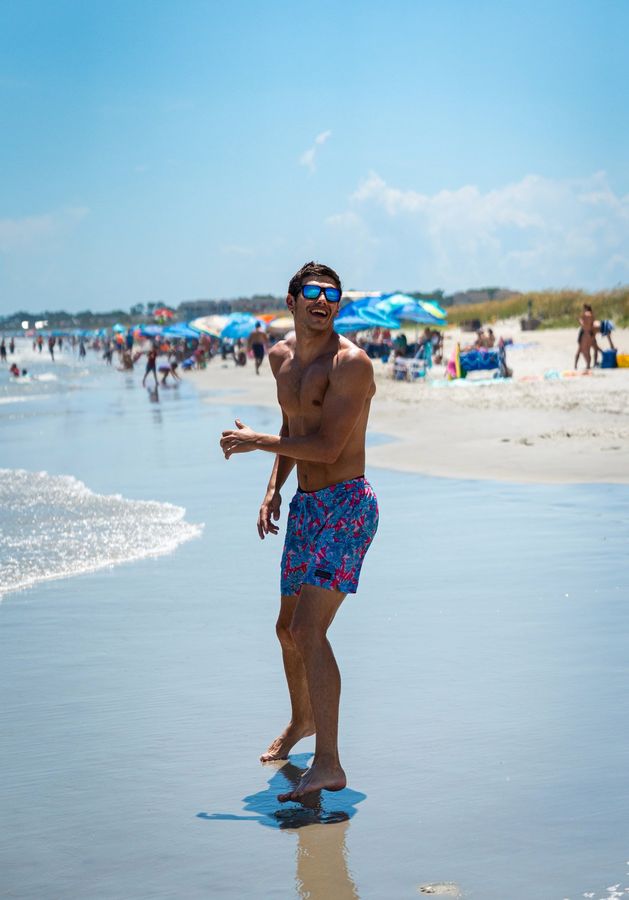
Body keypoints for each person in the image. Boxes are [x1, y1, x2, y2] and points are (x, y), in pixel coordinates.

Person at [220, 261, 379, 802]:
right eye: (312, 291)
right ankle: (302, 723)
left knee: (312, 630)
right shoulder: (280, 358)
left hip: (347, 506)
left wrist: (258, 442)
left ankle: (329, 763)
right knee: (287, 628)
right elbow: (294, 428)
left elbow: (329, 447)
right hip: (307, 506)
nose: (323, 299)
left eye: (332, 293)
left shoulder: (351, 364)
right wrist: (273, 487)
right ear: (291, 300)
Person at [575, 303, 596, 369]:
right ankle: (588, 365)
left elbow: (583, 325)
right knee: (588, 350)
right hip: (590, 334)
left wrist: (579, 320)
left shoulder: (585, 315)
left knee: (582, 350)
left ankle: (577, 365)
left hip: (584, 333)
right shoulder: (592, 315)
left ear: (585, 308)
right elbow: (592, 325)